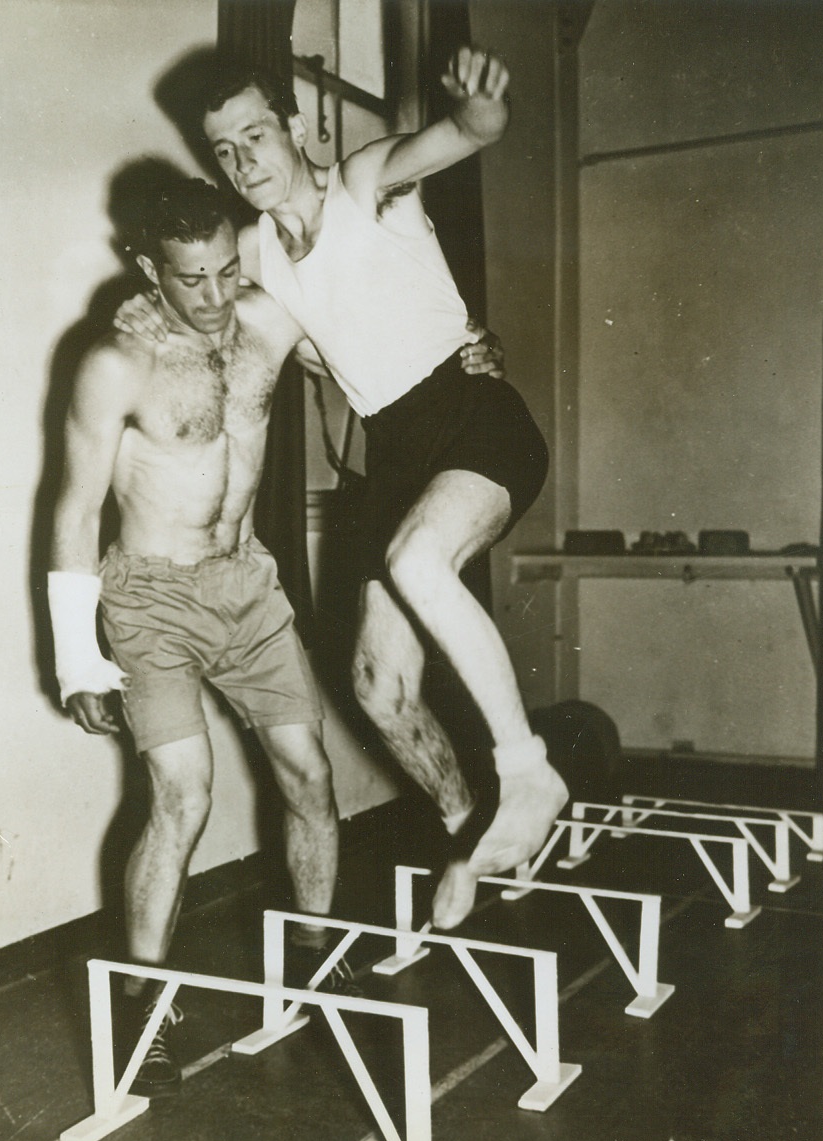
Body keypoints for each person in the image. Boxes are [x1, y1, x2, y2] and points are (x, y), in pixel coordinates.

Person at [49, 177, 502, 1097]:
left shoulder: (269, 321)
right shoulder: (115, 364)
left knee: (310, 777)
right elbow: (72, 511)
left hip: (248, 585)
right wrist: (75, 655)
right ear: (148, 270)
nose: (214, 298)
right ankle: (144, 1003)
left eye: (225, 270)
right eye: (190, 280)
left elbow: (379, 356)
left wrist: (465, 355)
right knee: (183, 793)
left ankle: (310, 960)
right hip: (152, 598)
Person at [117, 46, 568, 932]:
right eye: (225, 149)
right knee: (376, 685)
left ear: (296, 125)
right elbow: (195, 304)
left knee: (420, 561)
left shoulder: (367, 185)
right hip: (394, 450)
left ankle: (528, 769)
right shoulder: (251, 255)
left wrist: (482, 108)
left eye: (257, 134)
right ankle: (470, 835)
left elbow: (463, 135)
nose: (246, 161)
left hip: (474, 414)